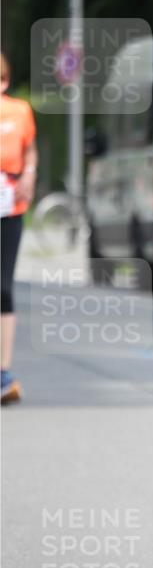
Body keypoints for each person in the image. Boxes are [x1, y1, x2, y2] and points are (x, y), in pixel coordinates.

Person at [1, 52, 38, 404]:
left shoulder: (20, 111)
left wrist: (29, 174)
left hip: (9, 205)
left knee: (3, 288)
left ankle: (3, 372)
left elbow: (30, 150)